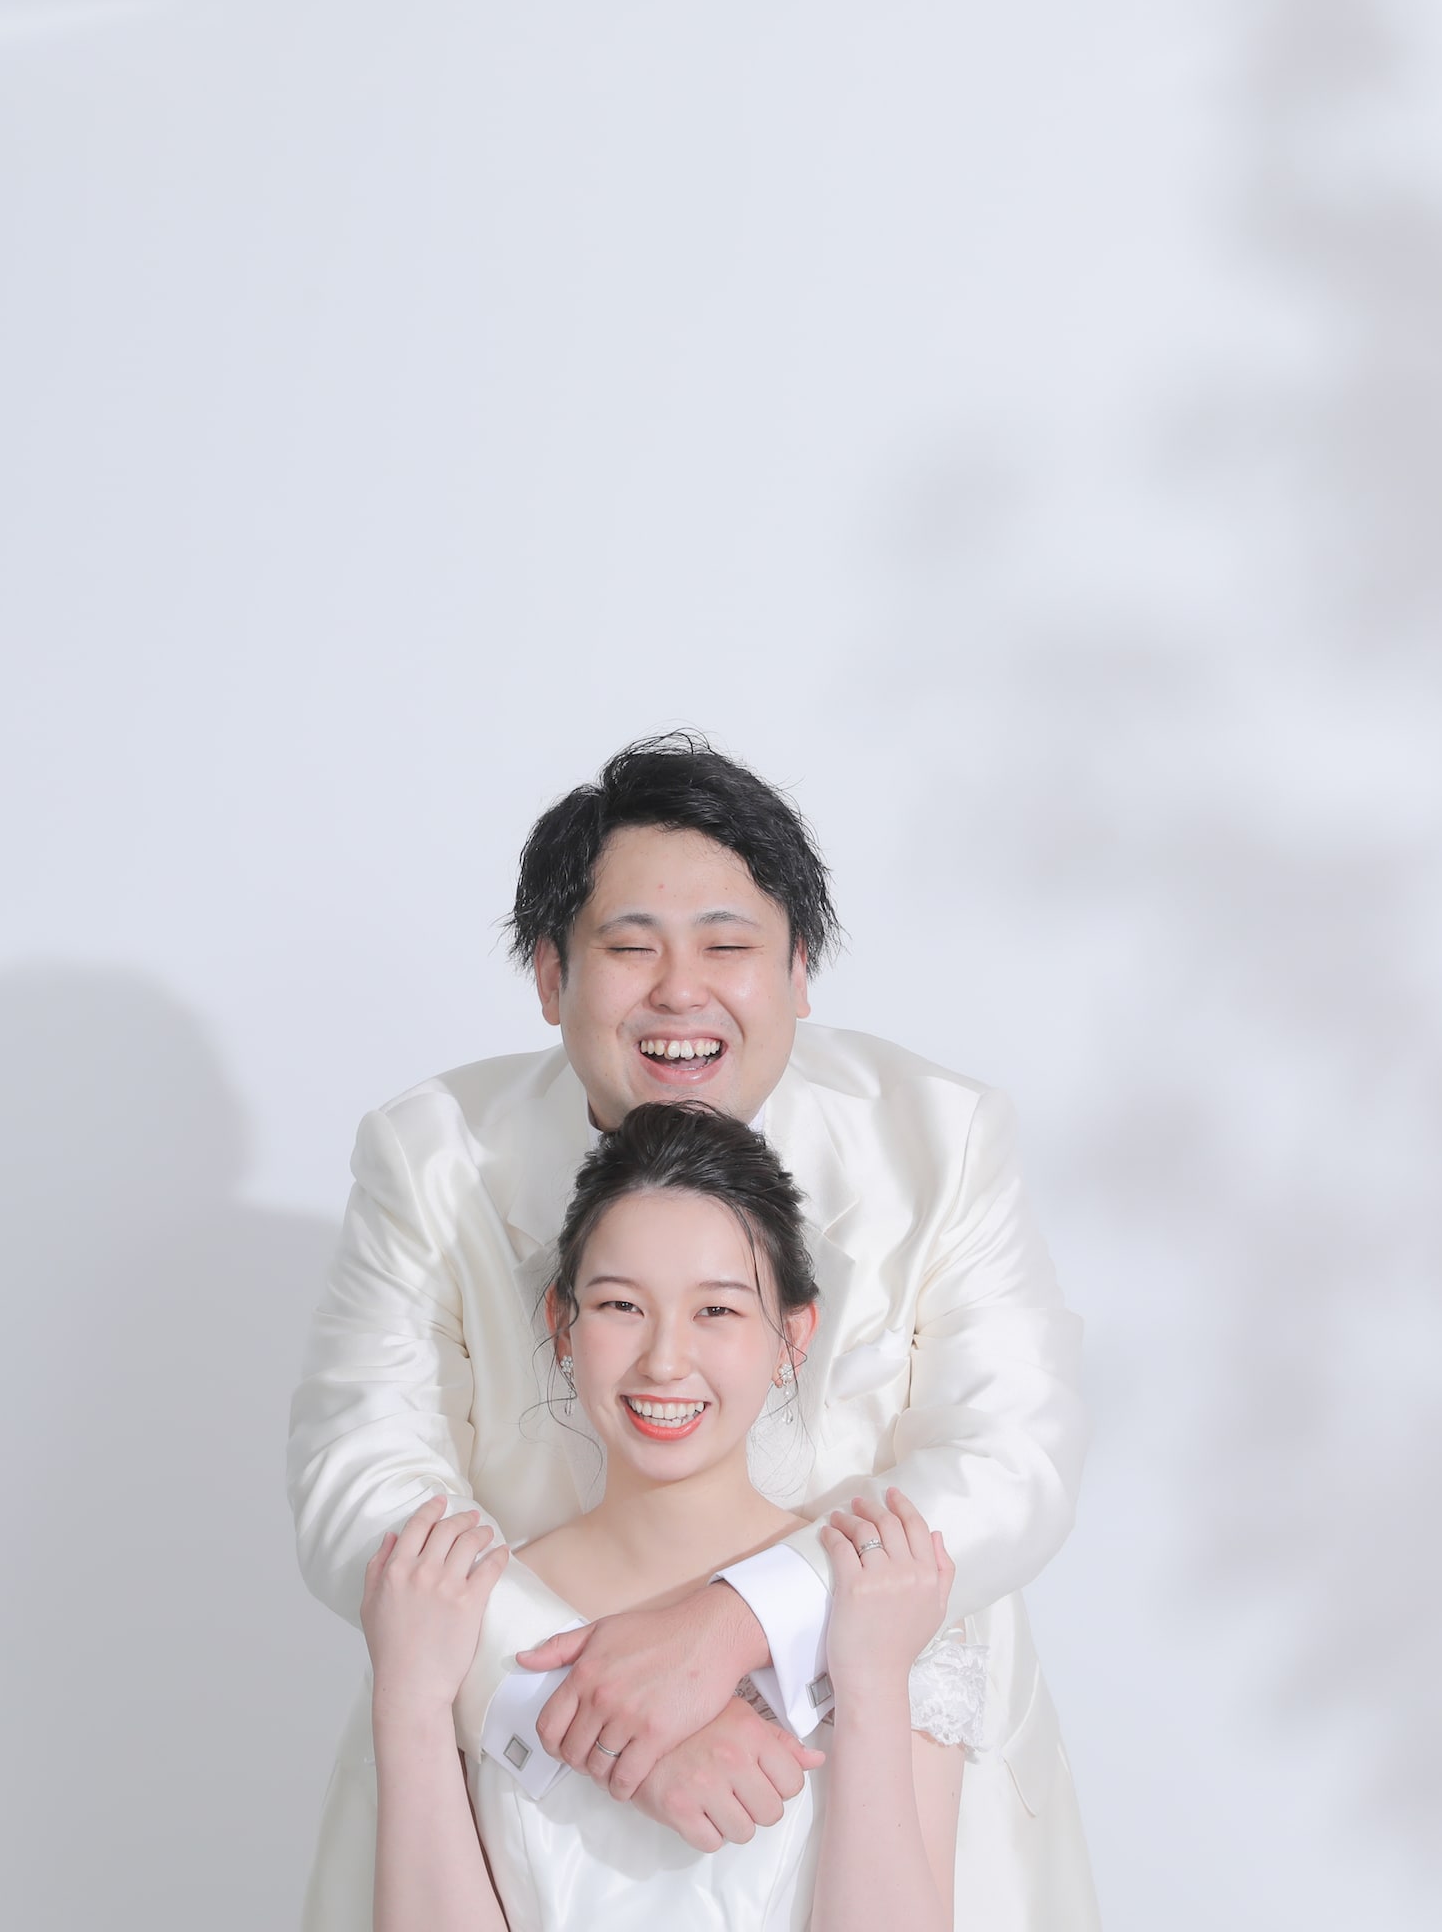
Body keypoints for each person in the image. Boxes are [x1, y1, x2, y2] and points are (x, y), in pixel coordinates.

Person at [290, 733, 1097, 1929]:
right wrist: (588, 1715)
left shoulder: (941, 1137)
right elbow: (360, 1483)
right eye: (630, 947)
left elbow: (1012, 1460)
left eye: (727, 945)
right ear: (550, 974)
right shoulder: (433, 1154)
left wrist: (737, 1621)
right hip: (505, 1798)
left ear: (801, 968)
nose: (680, 990)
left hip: (875, 1788)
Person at [363, 1102, 974, 1931]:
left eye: (717, 1311)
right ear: (561, 1324)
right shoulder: (458, 1609)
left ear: (793, 1337)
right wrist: (406, 1703)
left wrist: (868, 1686)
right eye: (621, 1306)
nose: (664, 1360)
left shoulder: (877, 1604)